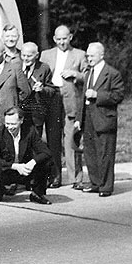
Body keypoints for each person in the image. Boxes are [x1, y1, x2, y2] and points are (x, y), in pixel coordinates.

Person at [40, 25, 88, 188]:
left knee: (71, 139)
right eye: (58, 39)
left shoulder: (79, 54)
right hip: (52, 98)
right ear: (54, 39)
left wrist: (76, 74)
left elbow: (89, 76)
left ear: (70, 38)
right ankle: (54, 177)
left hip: (71, 100)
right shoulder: (46, 55)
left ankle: (76, 179)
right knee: (53, 140)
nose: (61, 42)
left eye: (64, 39)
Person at [76, 42, 124, 197]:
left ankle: (106, 187)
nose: (89, 58)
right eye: (87, 56)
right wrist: (79, 119)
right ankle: (95, 183)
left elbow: (118, 95)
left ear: (101, 55)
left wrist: (98, 95)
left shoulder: (112, 73)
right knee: (90, 153)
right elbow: (82, 98)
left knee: (105, 153)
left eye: (92, 56)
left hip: (104, 119)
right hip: (88, 119)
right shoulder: (88, 73)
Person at [0, 107, 53, 204]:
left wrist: (32, 162)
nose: (9, 127)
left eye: (13, 124)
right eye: (7, 123)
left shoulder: (30, 131)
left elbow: (46, 152)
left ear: (21, 121)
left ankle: (37, 194)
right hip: (6, 170)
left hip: (25, 170)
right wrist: (14, 166)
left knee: (46, 162)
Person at [18, 42, 60, 185]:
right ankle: (21, 179)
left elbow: (52, 89)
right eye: (23, 55)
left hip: (36, 114)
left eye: (29, 56)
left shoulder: (44, 68)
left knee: (36, 148)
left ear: (37, 55)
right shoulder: (16, 66)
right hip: (21, 112)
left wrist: (42, 89)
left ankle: (36, 180)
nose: (26, 58)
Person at [0, 41, 31, 145]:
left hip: (8, 117)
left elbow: (25, 92)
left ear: (4, 54)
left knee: (8, 146)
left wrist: (13, 104)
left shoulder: (15, 69)